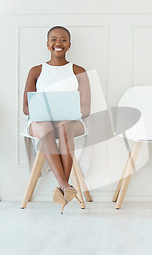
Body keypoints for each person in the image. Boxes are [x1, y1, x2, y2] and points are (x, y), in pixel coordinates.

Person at [23, 26, 91, 213]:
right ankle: (64, 185)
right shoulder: (36, 71)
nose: (58, 43)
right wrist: (47, 113)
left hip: (72, 122)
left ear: (69, 45)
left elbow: (85, 108)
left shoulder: (79, 71)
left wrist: (65, 114)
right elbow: (26, 108)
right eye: (53, 39)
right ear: (47, 44)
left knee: (64, 126)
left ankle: (63, 187)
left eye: (63, 40)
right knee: (45, 127)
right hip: (39, 122)